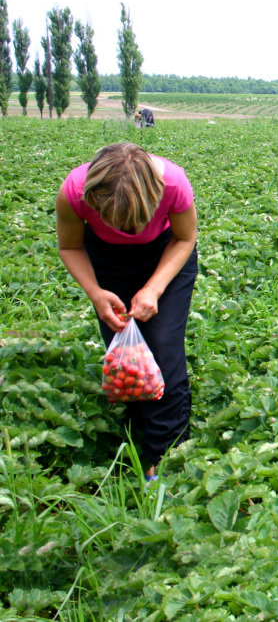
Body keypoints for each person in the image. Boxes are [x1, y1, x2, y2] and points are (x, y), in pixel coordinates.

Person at [56, 142, 197, 483]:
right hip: (105, 261)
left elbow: (185, 238)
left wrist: (154, 288)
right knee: (124, 350)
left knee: (162, 346)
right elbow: (70, 245)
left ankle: (166, 454)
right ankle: (138, 424)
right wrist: (96, 294)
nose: (129, 229)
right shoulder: (73, 192)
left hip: (165, 255)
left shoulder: (174, 183)